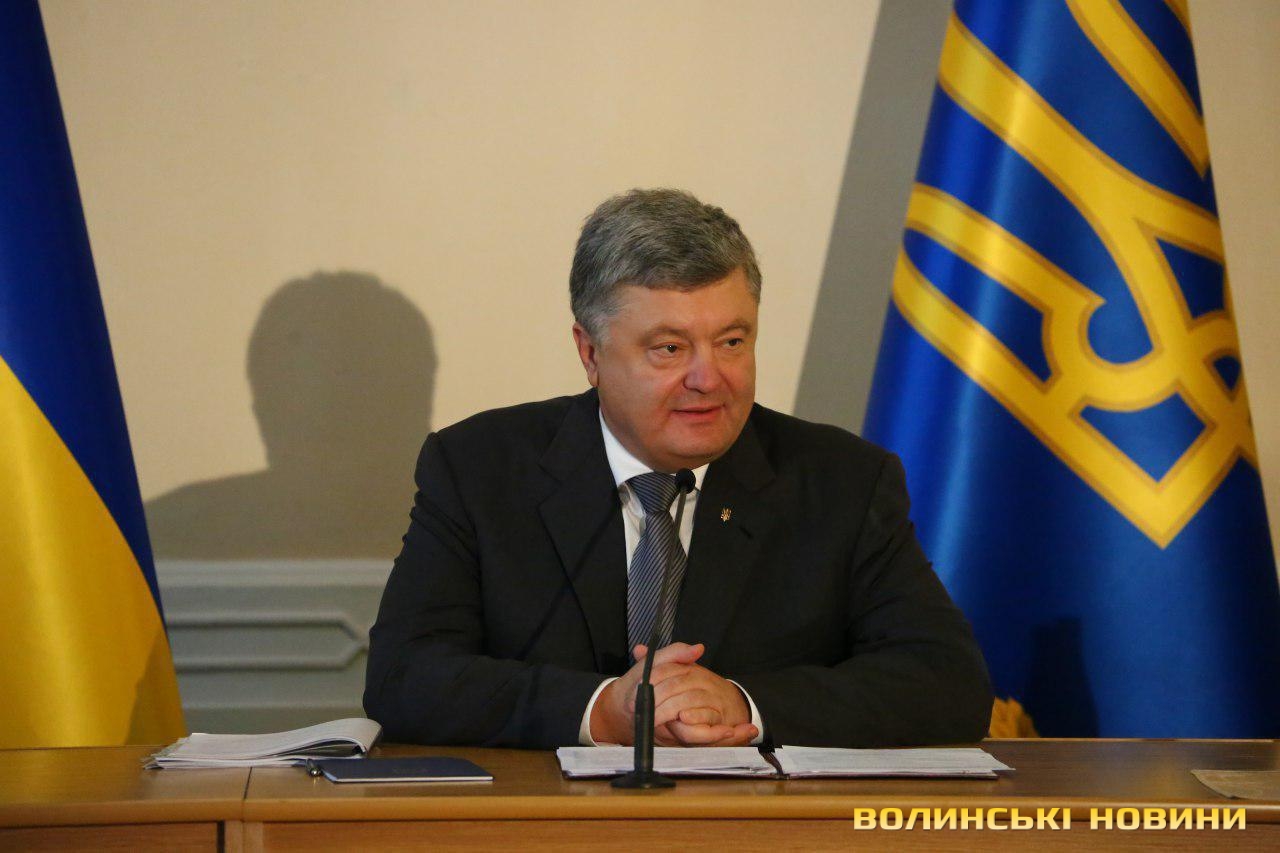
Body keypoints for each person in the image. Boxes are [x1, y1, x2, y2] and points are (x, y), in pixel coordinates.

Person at [364, 188, 992, 749]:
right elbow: (403, 676)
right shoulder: (480, 469)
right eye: (669, 348)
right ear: (590, 353)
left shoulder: (842, 481)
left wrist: (743, 704)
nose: (708, 378)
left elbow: (947, 683)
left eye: (732, 342)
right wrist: (601, 712)